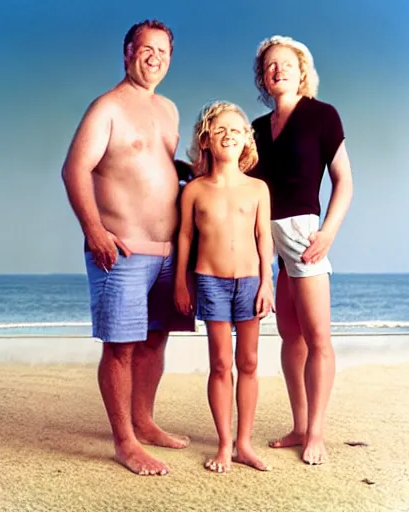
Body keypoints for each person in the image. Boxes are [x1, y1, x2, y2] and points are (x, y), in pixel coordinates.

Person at [61, 20, 194, 476]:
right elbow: (74, 169)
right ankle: (125, 442)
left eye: (163, 51)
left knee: (155, 340)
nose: (155, 57)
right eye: (146, 49)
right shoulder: (107, 108)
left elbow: (165, 170)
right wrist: (94, 229)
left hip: (168, 253)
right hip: (122, 250)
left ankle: (144, 421)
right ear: (127, 53)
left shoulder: (171, 110)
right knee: (121, 347)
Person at [250, 35, 353, 465]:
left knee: (318, 339)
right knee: (290, 337)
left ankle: (316, 433)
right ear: (263, 77)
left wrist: (327, 234)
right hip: (266, 237)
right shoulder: (255, 129)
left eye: (286, 64)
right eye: (270, 65)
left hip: (303, 233)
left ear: (302, 71)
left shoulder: (322, 116)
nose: (278, 70)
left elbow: (344, 181)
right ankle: (298, 424)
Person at [175, 101, 274, 473]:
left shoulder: (258, 189)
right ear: (205, 141)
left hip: (250, 282)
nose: (228, 135)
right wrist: (182, 284)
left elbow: (265, 238)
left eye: (236, 129)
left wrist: (268, 283)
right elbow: (185, 238)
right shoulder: (195, 191)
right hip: (209, 281)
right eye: (219, 130)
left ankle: (244, 444)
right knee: (220, 364)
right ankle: (224, 444)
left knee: (248, 362)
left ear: (247, 139)